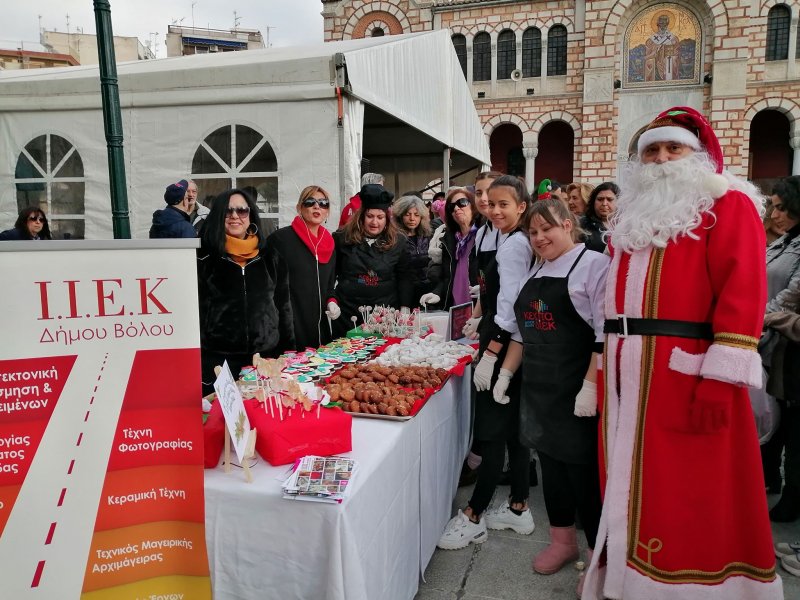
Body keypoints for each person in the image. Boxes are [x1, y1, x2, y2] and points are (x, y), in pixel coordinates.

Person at [582, 106, 782, 600]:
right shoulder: (634, 213)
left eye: (674, 148)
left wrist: (721, 376)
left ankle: (694, 588)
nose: (662, 158)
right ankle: (630, 580)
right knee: (633, 482)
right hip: (630, 371)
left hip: (685, 374)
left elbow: (744, 291)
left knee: (692, 491)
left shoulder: (728, 203)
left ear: (698, 156)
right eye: (652, 149)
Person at [495, 198, 608, 596]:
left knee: (584, 476)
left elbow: (603, 334)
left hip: (577, 388)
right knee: (552, 469)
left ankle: (600, 557)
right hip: (540, 389)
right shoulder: (537, 268)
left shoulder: (592, 265)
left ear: (568, 225)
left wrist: (591, 386)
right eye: (533, 232)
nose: (540, 237)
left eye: (548, 229)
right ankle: (562, 541)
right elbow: (524, 332)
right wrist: (506, 373)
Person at [437, 175, 533, 550]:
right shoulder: (496, 236)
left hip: (507, 342)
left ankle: (474, 515)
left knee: (492, 429)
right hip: (497, 331)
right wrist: (479, 313)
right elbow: (492, 292)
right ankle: (519, 507)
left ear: (521, 206)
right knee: (512, 429)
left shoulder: (516, 245)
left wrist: (492, 354)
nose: (493, 209)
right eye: (488, 202)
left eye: (502, 204)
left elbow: (511, 305)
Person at [197, 189, 294, 394]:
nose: (234, 216)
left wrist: (287, 352)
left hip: (264, 358)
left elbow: (283, 307)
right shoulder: (203, 259)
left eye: (241, 210)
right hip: (219, 361)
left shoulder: (271, 257)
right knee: (221, 423)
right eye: (227, 211)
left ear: (251, 215)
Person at [458, 170, 503, 487]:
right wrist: (477, 312)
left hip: (505, 329)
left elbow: (508, 292)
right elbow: (484, 283)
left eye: (492, 194)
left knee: (497, 408)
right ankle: (477, 460)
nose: (485, 200)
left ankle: (495, 471)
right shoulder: (484, 232)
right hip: (489, 319)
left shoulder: (511, 235)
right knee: (486, 404)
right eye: (481, 193)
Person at [760, 176, 800, 513]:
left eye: (782, 207)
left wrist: (755, 322)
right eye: (773, 207)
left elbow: (790, 297)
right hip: (774, 343)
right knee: (778, 417)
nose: (774, 214)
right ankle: (772, 479)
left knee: (794, 428)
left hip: (787, 341)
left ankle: (792, 499)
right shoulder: (784, 241)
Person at [331, 183, 413, 337]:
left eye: (380, 217)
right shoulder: (341, 238)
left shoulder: (398, 241)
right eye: (370, 216)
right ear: (361, 216)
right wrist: (331, 299)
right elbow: (330, 274)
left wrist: (405, 307)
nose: (375, 222)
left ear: (387, 218)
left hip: (384, 313)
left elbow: (405, 276)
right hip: (348, 312)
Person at [265, 186, 338, 351]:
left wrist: (332, 302)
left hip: (321, 331)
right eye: (310, 202)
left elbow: (329, 286)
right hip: (290, 329)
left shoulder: (330, 243)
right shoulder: (280, 240)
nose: (317, 206)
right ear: (299, 208)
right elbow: (266, 284)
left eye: (323, 203)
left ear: (327, 211)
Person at [763, 276, 800, 531]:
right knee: (789, 430)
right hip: (786, 358)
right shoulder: (790, 244)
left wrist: (774, 318)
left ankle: (792, 498)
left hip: (787, 344)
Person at [420, 188, 478, 310]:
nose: (456, 208)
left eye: (462, 202)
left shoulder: (483, 236)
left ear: (473, 206)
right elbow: (447, 276)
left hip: (478, 306)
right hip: (455, 306)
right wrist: (437, 292)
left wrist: (486, 290)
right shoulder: (449, 238)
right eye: (451, 207)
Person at [393, 195, 434, 305]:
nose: (412, 218)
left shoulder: (429, 235)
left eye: (416, 215)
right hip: (403, 292)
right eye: (407, 214)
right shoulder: (394, 238)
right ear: (400, 216)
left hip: (428, 291)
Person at [580, 182, 620, 253]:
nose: (604, 204)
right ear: (593, 202)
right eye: (600, 199)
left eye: (609, 199)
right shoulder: (582, 225)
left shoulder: (625, 225)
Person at [645, 13, 681, 82]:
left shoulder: (674, 39)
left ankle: (670, 80)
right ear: (658, 24)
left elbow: (677, 54)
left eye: (664, 23)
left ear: (667, 25)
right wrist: (654, 53)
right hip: (656, 62)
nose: (662, 25)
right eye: (661, 23)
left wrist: (671, 55)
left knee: (672, 60)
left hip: (668, 62)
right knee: (649, 62)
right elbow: (647, 56)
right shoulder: (650, 40)